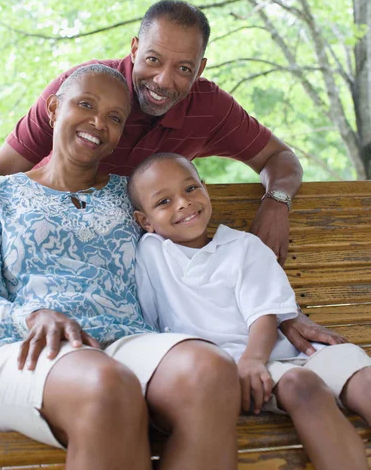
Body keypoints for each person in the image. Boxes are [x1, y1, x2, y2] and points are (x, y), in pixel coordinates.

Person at [0, 0, 341, 354]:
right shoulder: (85, 90)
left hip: (136, 287)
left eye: (183, 68)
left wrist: (276, 204)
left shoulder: (209, 108)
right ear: (134, 49)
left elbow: (280, 157)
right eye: (153, 59)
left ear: (200, 68)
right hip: (46, 268)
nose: (164, 81)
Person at [0, 66, 241, 470]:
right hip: (20, 347)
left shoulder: (127, 194)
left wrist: (280, 317)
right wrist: (29, 315)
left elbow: (195, 259)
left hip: (124, 340)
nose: (99, 123)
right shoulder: (0, 194)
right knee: (109, 385)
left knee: (210, 370)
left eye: (115, 118)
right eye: (86, 105)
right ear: (53, 108)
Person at [128, 152, 371, 470]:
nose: (183, 203)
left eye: (190, 189)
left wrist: (254, 359)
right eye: (163, 202)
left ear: (206, 188)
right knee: (303, 386)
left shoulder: (242, 246)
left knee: (364, 379)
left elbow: (264, 313)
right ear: (145, 221)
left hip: (280, 351)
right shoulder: (149, 254)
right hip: (230, 370)